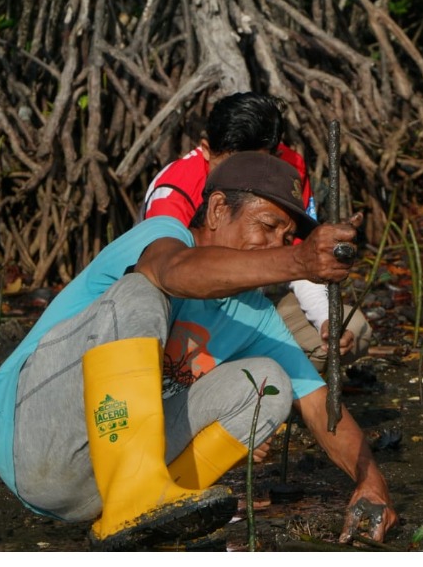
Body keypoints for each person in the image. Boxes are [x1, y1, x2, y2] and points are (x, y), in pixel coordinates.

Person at [0, 152, 397, 550]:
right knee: (141, 290)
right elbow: (175, 273)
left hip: (92, 489)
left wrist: (371, 483)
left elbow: (320, 404)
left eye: (286, 237)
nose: (276, 244)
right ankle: (137, 496)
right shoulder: (161, 238)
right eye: (267, 226)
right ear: (217, 209)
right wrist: (300, 261)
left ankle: (153, 513)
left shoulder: (256, 313)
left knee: (269, 383)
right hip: (31, 436)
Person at [141, 91, 372, 372]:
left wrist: (325, 319)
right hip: (189, 309)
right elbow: (167, 279)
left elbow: (298, 258)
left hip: (261, 298)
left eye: (255, 164)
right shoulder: (174, 191)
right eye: (232, 163)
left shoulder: (289, 171)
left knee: (352, 330)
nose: (243, 177)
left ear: (274, 154)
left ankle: (278, 393)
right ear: (206, 149)